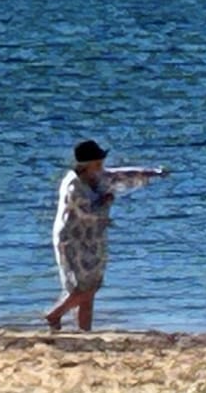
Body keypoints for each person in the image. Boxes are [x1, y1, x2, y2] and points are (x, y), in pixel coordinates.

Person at [45, 139, 166, 331]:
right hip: (72, 239)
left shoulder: (96, 176)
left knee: (90, 286)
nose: (102, 166)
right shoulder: (73, 186)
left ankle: (85, 331)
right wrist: (106, 201)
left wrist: (152, 173)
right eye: (98, 162)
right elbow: (87, 212)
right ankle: (54, 315)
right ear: (86, 164)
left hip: (92, 238)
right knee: (84, 288)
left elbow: (121, 175)